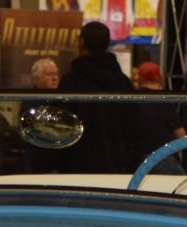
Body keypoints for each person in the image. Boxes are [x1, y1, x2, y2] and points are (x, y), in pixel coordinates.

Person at [56, 21, 139, 173]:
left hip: (77, 166)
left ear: (82, 42)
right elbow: (133, 127)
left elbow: (60, 126)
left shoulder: (71, 81)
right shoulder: (123, 82)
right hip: (117, 166)